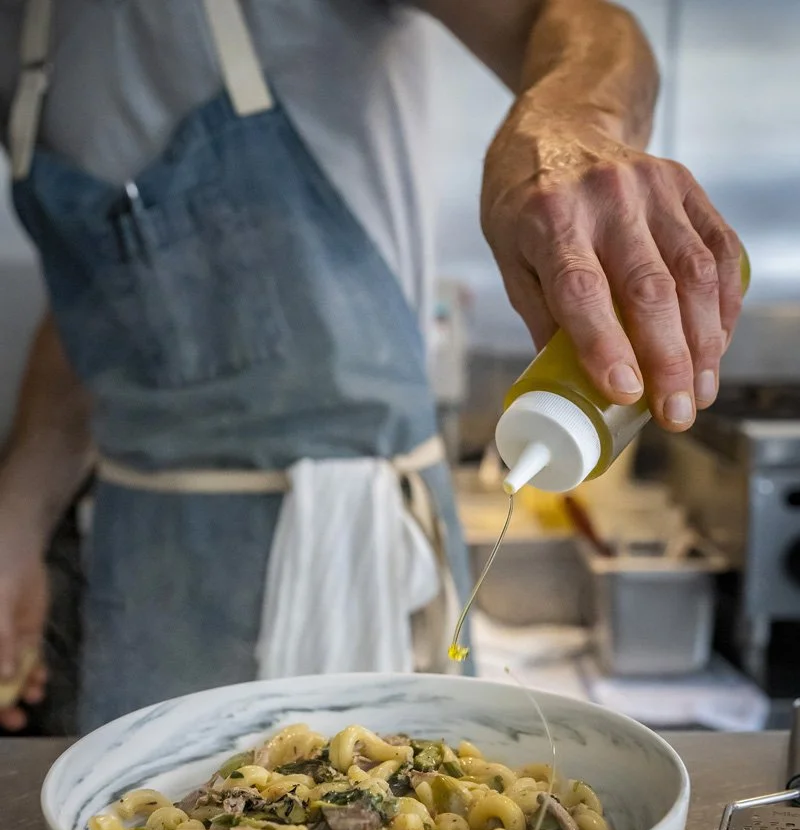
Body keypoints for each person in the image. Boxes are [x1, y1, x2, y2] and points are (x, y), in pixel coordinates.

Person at [0, 0, 745, 735]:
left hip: (355, 558)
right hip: (146, 578)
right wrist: (15, 524)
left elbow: (584, 21)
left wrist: (571, 120)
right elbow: (108, 302)